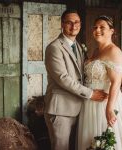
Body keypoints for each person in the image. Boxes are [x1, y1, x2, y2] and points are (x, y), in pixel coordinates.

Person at [44, 10, 108, 150]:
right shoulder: (54, 48)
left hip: (80, 108)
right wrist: (91, 93)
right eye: (69, 22)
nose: (74, 26)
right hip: (60, 110)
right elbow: (63, 79)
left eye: (77, 22)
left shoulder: (78, 46)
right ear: (62, 24)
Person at [78, 15, 122, 150]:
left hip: (105, 102)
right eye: (95, 27)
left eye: (102, 27)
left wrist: (109, 109)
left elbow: (116, 82)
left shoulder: (114, 51)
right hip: (89, 102)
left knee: (106, 140)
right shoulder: (96, 51)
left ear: (112, 31)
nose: (97, 30)